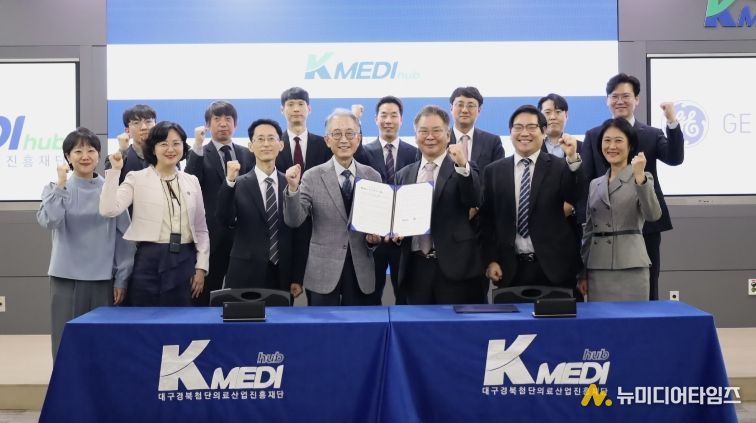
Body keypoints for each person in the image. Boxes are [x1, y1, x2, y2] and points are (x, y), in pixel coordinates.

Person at [581, 73, 684, 300]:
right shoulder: (594, 135)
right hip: (605, 229)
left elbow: (675, 158)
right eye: (614, 96)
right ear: (607, 100)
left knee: (648, 290)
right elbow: (586, 179)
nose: (620, 101)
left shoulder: (652, 134)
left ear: (636, 99)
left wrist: (671, 120)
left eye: (626, 96)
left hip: (646, 224)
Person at [37, 127, 134, 359]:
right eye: (77, 151)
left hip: (102, 278)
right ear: (68, 157)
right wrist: (61, 185)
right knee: (65, 340)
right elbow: (50, 221)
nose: (85, 156)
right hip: (65, 278)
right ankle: (66, 383)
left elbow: (125, 237)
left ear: (99, 156)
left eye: (91, 150)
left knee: (101, 341)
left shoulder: (110, 189)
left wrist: (122, 277)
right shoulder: (55, 189)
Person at [100, 121, 209, 306]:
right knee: (146, 316)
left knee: (182, 317)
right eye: (163, 144)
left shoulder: (192, 181)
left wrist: (201, 267)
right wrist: (114, 171)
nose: (170, 149)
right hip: (149, 259)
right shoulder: (136, 178)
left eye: (176, 143)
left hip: (185, 259)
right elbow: (108, 210)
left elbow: (201, 229)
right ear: (153, 148)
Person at [283, 109, 382, 306]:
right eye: (336, 134)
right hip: (322, 271)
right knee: (323, 325)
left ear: (359, 138)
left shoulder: (373, 176)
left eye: (350, 133)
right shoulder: (311, 176)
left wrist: (374, 240)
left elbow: (377, 224)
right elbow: (294, 220)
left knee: (361, 325)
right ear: (327, 140)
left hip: (361, 271)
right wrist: (293, 188)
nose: (343, 139)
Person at [479, 105, 582, 293]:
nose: (524, 133)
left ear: (543, 132)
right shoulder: (493, 171)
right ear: (510, 132)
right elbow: (487, 220)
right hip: (510, 270)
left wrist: (573, 159)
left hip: (554, 269)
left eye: (531, 127)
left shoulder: (560, 167)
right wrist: (491, 259)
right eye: (518, 127)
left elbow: (577, 196)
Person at [395, 105, 484, 305]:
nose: (430, 137)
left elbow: (474, 199)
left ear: (448, 134)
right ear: (415, 136)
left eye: (436, 130)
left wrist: (462, 165)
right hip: (416, 267)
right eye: (423, 131)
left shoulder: (463, 167)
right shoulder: (404, 174)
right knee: (419, 323)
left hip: (455, 268)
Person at [217, 119, 302, 299]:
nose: (266, 144)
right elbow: (225, 219)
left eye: (271, 139)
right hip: (244, 273)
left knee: (281, 317)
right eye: (260, 139)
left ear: (281, 145)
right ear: (250, 146)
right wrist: (229, 181)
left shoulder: (292, 183)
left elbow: (299, 232)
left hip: (282, 273)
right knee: (243, 318)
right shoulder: (237, 184)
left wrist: (297, 276)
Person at [578, 118, 662, 301]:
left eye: (618, 140)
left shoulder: (642, 177)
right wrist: (582, 271)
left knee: (634, 318)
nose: (612, 146)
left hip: (631, 265)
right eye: (607, 140)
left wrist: (640, 177)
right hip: (597, 267)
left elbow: (653, 215)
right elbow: (589, 230)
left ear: (630, 145)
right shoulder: (595, 184)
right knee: (600, 318)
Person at [185, 101, 254, 306]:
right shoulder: (199, 153)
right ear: (208, 125)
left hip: (242, 236)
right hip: (211, 236)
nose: (223, 124)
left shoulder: (247, 153)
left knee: (242, 297)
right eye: (217, 119)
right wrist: (197, 146)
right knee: (204, 296)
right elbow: (190, 181)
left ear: (236, 124)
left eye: (228, 119)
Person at [354, 96, 418, 305]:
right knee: (370, 297)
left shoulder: (415, 152)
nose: (388, 120)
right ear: (376, 119)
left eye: (393, 115)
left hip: (404, 239)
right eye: (383, 115)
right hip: (373, 239)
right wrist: (355, 119)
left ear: (401, 119)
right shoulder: (363, 152)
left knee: (406, 297)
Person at [275, 87, 333, 302]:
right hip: (282, 230)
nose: (296, 109)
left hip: (319, 230)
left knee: (321, 304)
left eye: (300, 104)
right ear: (282, 110)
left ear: (309, 109)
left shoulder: (324, 144)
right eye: (290, 105)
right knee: (281, 305)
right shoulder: (273, 145)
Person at [448, 86, 505, 171]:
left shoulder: (492, 142)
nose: (464, 110)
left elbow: (498, 174)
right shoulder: (440, 139)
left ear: (479, 110)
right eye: (460, 105)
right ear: (451, 108)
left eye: (470, 106)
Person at [104, 104, 157, 184]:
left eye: (148, 121)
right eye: (136, 123)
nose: (144, 127)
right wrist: (122, 150)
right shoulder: (115, 159)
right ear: (127, 130)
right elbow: (109, 186)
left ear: (156, 125)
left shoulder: (167, 155)